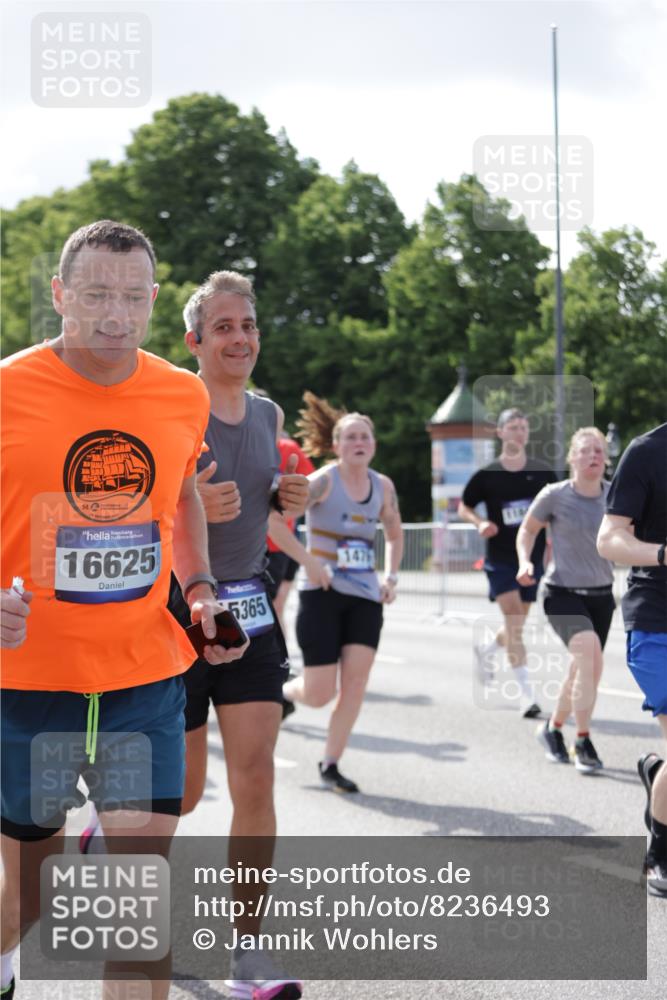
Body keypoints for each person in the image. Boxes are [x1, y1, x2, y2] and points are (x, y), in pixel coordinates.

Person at [0, 220, 232, 1000]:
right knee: (27, 897)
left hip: (144, 680)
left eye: (133, 297)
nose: (114, 315)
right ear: (60, 294)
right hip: (28, 687)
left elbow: (182, 496)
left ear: (156, 302)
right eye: (95, 294)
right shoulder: (7, 390)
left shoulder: (181, 391)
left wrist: (198, 588)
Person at [176, 270, 308, 998]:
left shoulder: (266, 413)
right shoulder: (172, 407)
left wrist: (287, 495)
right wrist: (189, 496)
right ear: (194, 341)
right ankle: (110, 829)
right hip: (176, 613)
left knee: (254, 775)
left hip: (249, 607)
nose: (239, 337)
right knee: (187, 795)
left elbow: (269, 504)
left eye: (248, 325)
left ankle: (248, 954)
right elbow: (134, 499)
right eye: (223, 327)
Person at [271, 392, 404, 794]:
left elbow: (395, 533)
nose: (359, 443)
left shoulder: (382, 486)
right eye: (350, 438)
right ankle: (283, 693)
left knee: (356, 683)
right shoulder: (322, 482)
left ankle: (330, 763)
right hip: (322, 593)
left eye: (365, 437)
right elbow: (274, 521)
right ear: (336, 446)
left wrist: (392, 576)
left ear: (374, 445)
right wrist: (308, 562)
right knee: (318, 693)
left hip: (365, 595)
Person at [516, 428, 615, 772]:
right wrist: (525, 561)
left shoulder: (616, 496)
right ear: (572, 457)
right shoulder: (555, 495)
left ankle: (552, 728)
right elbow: (528, 530)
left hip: (602, 596)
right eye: (586, 450)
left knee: (583, 669)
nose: (593, 456)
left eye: (599, 451)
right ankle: (583, 741)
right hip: (562, 593)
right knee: (589, 656)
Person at [597, 423, 667, 893]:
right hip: (658, 617)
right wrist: (663, 552)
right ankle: (658, 855)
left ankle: (660, 773)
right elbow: (610, 538)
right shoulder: (647, 452)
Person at [458, 408, 557, 717]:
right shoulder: (488, 474)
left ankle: (487, 648)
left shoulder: (543, 473)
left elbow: (556, 511)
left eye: (523, 427)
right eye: (513, 427)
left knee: (517, 623)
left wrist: (553, 543)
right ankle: (527, 694)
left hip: (532, 559)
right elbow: (465, 506)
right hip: (500, 558)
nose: (519, 432)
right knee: (514, 618)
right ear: (500, 433)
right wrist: (478, 523)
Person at [265, 432, 315, 628]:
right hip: (234, 543)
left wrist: (288, 508)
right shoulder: (228, 444)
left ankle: (278, 658)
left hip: (277, 546)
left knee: (275, 608)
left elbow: (311, 489)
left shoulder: (288, 449)